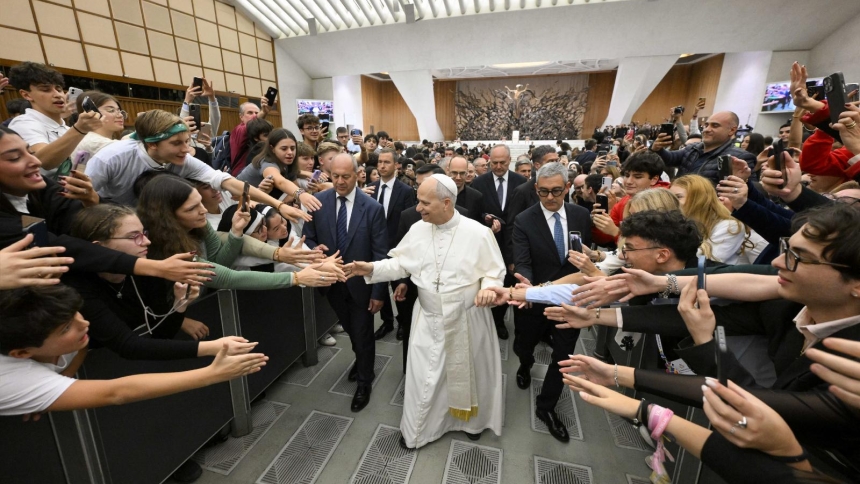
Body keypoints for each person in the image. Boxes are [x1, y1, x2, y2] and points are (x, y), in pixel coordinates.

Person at [347, 174, 505, 449]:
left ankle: (470, 422)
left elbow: (494, 272)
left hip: (467, 317)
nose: (418, 208)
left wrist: (489, 288)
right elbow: (400, 264)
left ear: (446, 203)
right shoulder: (419, 229)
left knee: (470, 373)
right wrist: (371, 268)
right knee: (424, 376)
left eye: (424, 202)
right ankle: (418, 430)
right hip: (427, 317)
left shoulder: (479, 232)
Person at [0, 284, 267, 416]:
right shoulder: (10, 379)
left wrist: (62, 380)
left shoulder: (55, 328)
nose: (85, 324)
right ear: (22, 353)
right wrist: (213, 373)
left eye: (78, 314)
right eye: (66, 328)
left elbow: (84, 343)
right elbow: (117, 392)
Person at [64, 204, 255, 360]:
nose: (146, 242)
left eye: (144, 233)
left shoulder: (147, 269)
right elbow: (129, 346)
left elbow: (162, 333)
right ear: (99, 248)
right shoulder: (78, 287)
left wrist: (180, 304)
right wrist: (213, 347)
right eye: (134, 237)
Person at [86, 110, 315, 222]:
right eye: (176, 143)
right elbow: (84, 202)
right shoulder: (111, 158)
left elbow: (229, 183)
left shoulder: (184, 161)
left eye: (187, 142)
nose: (186, 149)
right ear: (152, 144)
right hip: (111, 220)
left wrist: (279, 204)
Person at [137, 175, 339, 290]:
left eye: (200, 202)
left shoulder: (200, 223)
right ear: (168, 217)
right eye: (191, 208)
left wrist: (236, 232)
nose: (204, 211)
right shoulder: (166, 247)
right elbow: (227, 277)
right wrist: (296, 278)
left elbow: (219, 260)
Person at [510, 162, 592, 443]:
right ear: (536, 190)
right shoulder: (524, 220)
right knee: (524, 343)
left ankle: (546, 407)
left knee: (564, 358)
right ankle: (524, 363)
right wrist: (528, 287)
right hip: (535, 299)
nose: (550, 198)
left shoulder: (582, 215)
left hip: (571, 300)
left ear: (567, 187)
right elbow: (523, 260)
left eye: (556, 191)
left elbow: (587, 260)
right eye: (543, 192)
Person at [302, 153, 388, 412]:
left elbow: (380, 254)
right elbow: (308, 238)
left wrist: (379, 292)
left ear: (358, 174)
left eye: (346, 177)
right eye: (335, 176)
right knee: (352, 330)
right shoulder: (319, 202)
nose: (340, 181)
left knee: (362, 332)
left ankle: (365, 380)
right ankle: (362, 360)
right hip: (331, 284)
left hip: (361, 285)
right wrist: (318, 251)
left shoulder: (372, 208)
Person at [470, 144, 528, 339]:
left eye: (502, 162)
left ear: (510, 161)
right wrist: (485, 219)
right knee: (489, 279)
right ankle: (493, 320)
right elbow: (474, 215)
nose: (498, 166)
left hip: (514, 242)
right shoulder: (479, 184)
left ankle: (501, 317)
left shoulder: (521, 182)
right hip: (488, 242)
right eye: (494, 162)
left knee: (510, 280)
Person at [7, 62, 103, 177]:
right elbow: (43, 161)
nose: (57, 94)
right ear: (27, 95)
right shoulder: (24, 122)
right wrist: (79, 130)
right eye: (46, 90)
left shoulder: (67, 128)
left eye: (59, 89)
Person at [367, 148, 416, 341]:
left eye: (386, 162)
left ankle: (403, 322)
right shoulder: (370, 188)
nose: (382, 166)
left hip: (397, 247)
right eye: (379, 162)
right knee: (379, 285)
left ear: (396, 165)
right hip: (375, 248)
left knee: (399, 286)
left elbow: (408, 222)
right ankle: (387, 322)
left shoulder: (405, 191)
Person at [651, 111, 757, 185]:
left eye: (715, 126)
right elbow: (669, 159)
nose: (706, 129)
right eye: (706, 125)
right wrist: (657, 148)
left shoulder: (738, 158)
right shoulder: (692, 149)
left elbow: (741, 193)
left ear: (732, 130)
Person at [671, 174, 750, 264]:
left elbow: (704, 261)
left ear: (698, 199)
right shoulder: (677, 223)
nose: (672, 202)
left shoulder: (730, 226)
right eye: (670, 197)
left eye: (678, 197)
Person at [72, 91, 126, 158]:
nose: (120, 115)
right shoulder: (93, 142)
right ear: (91, 112)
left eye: (119, 111)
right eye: (111, 110)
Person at [228, 98, 270, 176]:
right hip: (241, 178)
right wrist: (263, 112)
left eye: (256, 113)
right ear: (241, 117)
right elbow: (250, 126)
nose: (254, 115)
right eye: (250, 113)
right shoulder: (238, 130)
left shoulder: (260, 129)